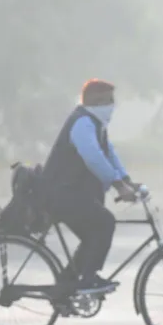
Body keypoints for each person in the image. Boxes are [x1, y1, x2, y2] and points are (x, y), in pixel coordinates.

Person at [42, 79, 142, 294]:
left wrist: (126, 180)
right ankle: (88, 279)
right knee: (105, 223)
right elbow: (93, 157)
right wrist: (118, 185)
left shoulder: (96, 125)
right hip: (62, 194)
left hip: (71, 194)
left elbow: (109, 153)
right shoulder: (82, 123)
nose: (112, 106)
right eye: (109, 101)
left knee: (92, 236)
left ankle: (66, 286)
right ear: (96, 102)